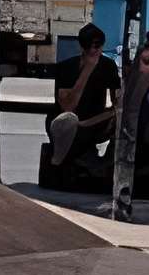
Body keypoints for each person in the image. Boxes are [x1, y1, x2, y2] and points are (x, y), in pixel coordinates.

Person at [47, 22, 120, 168]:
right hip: (65, 121)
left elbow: (117, 102)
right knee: (69, 120)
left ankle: (108, 162)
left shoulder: (108, 66)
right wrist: (88, 69)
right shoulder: (66, 67)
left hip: (94, 121)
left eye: (98, 46)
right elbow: (68, 107)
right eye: (90, 46)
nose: (94, 50)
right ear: (82, 47)